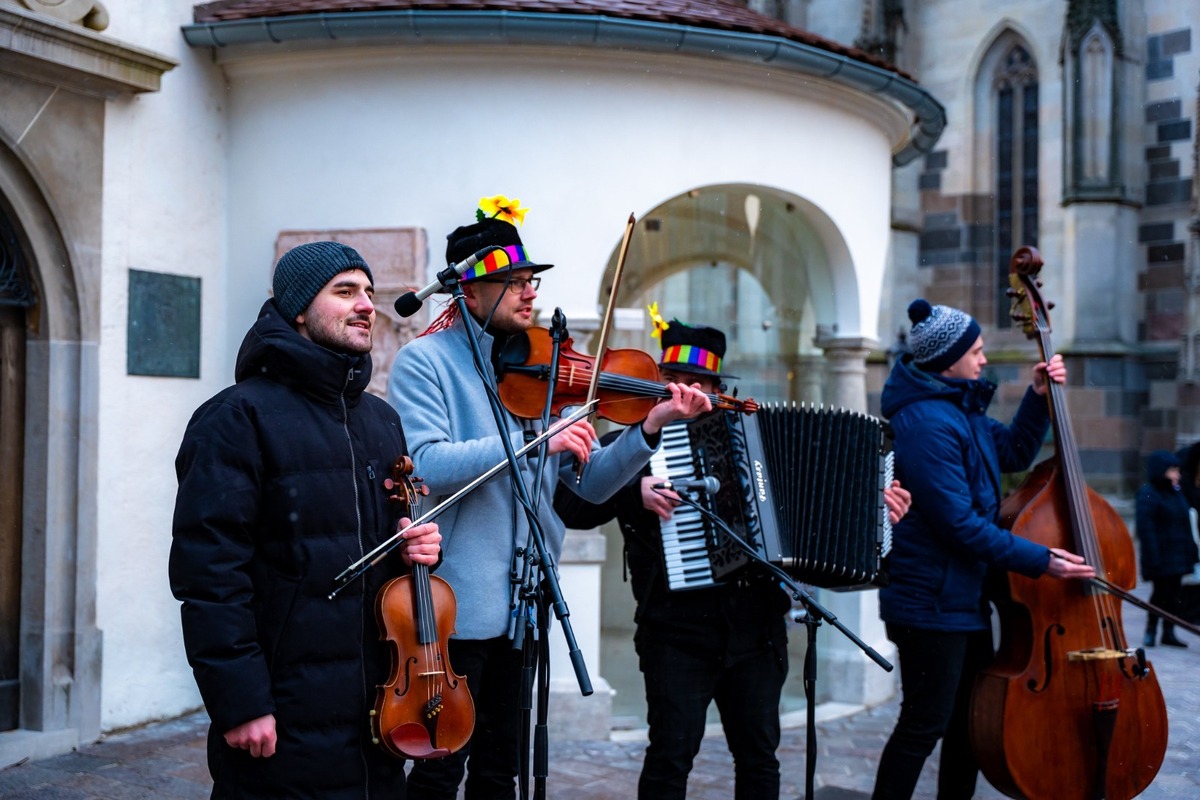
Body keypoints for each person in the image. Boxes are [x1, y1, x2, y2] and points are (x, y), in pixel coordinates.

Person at [388, 197, 712, 800]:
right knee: (438, 771)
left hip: (523, 604)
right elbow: (429, 465)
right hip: (456, 607)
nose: (528, 293)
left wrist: (649, 427)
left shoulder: (538, 368)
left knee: (499, 771)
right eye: (511, 282)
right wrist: (538, 438)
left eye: (529, 280)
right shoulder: (424, 363)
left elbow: (586, 485)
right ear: (468, 292)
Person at [554, 312, 911, 800]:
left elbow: (822, 516)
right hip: (674, 632)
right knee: (669, 760)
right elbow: (570, 506)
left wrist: (876, 514)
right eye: (672, 380)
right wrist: (630, 489)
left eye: (695, 382)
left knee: (759, 760)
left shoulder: (757, 435)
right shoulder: (632, 445)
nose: (682, 392)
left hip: (757, 630)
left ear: (716, 386)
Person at [170, 241, 443, 799]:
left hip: (378, 713)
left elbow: (386, 555)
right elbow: (210, 578)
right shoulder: (234, 418)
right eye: (345, 292)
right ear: (297, 308)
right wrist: (241, 703)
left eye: (368, 292)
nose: (366, 304)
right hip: (284, 717)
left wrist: (417, 547)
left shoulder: (381, 420)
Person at [870, 299, 1095, 800]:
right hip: (928, 603)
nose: (984, 359)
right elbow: (959, 527)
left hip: (959, 600)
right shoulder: (927, 423)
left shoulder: (958, 411)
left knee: (967, 726)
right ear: (947, 360)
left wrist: (1038, 396)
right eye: (976, 350)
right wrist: (1043, 559)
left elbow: (1014, 451)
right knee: (923, 725)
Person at [1136, 450, 1198, 647]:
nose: (1177, 475)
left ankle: (1168, 632)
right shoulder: (1148, 493)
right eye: (1173, 471)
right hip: (1161, 556)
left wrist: (1191, 552)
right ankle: (1151, 630)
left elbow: (1186, 524)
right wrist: (1153, 558)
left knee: (1174, 596)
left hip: (1178, 555)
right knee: (1159, 595)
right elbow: (1146, 529)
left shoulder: (1177, 493)